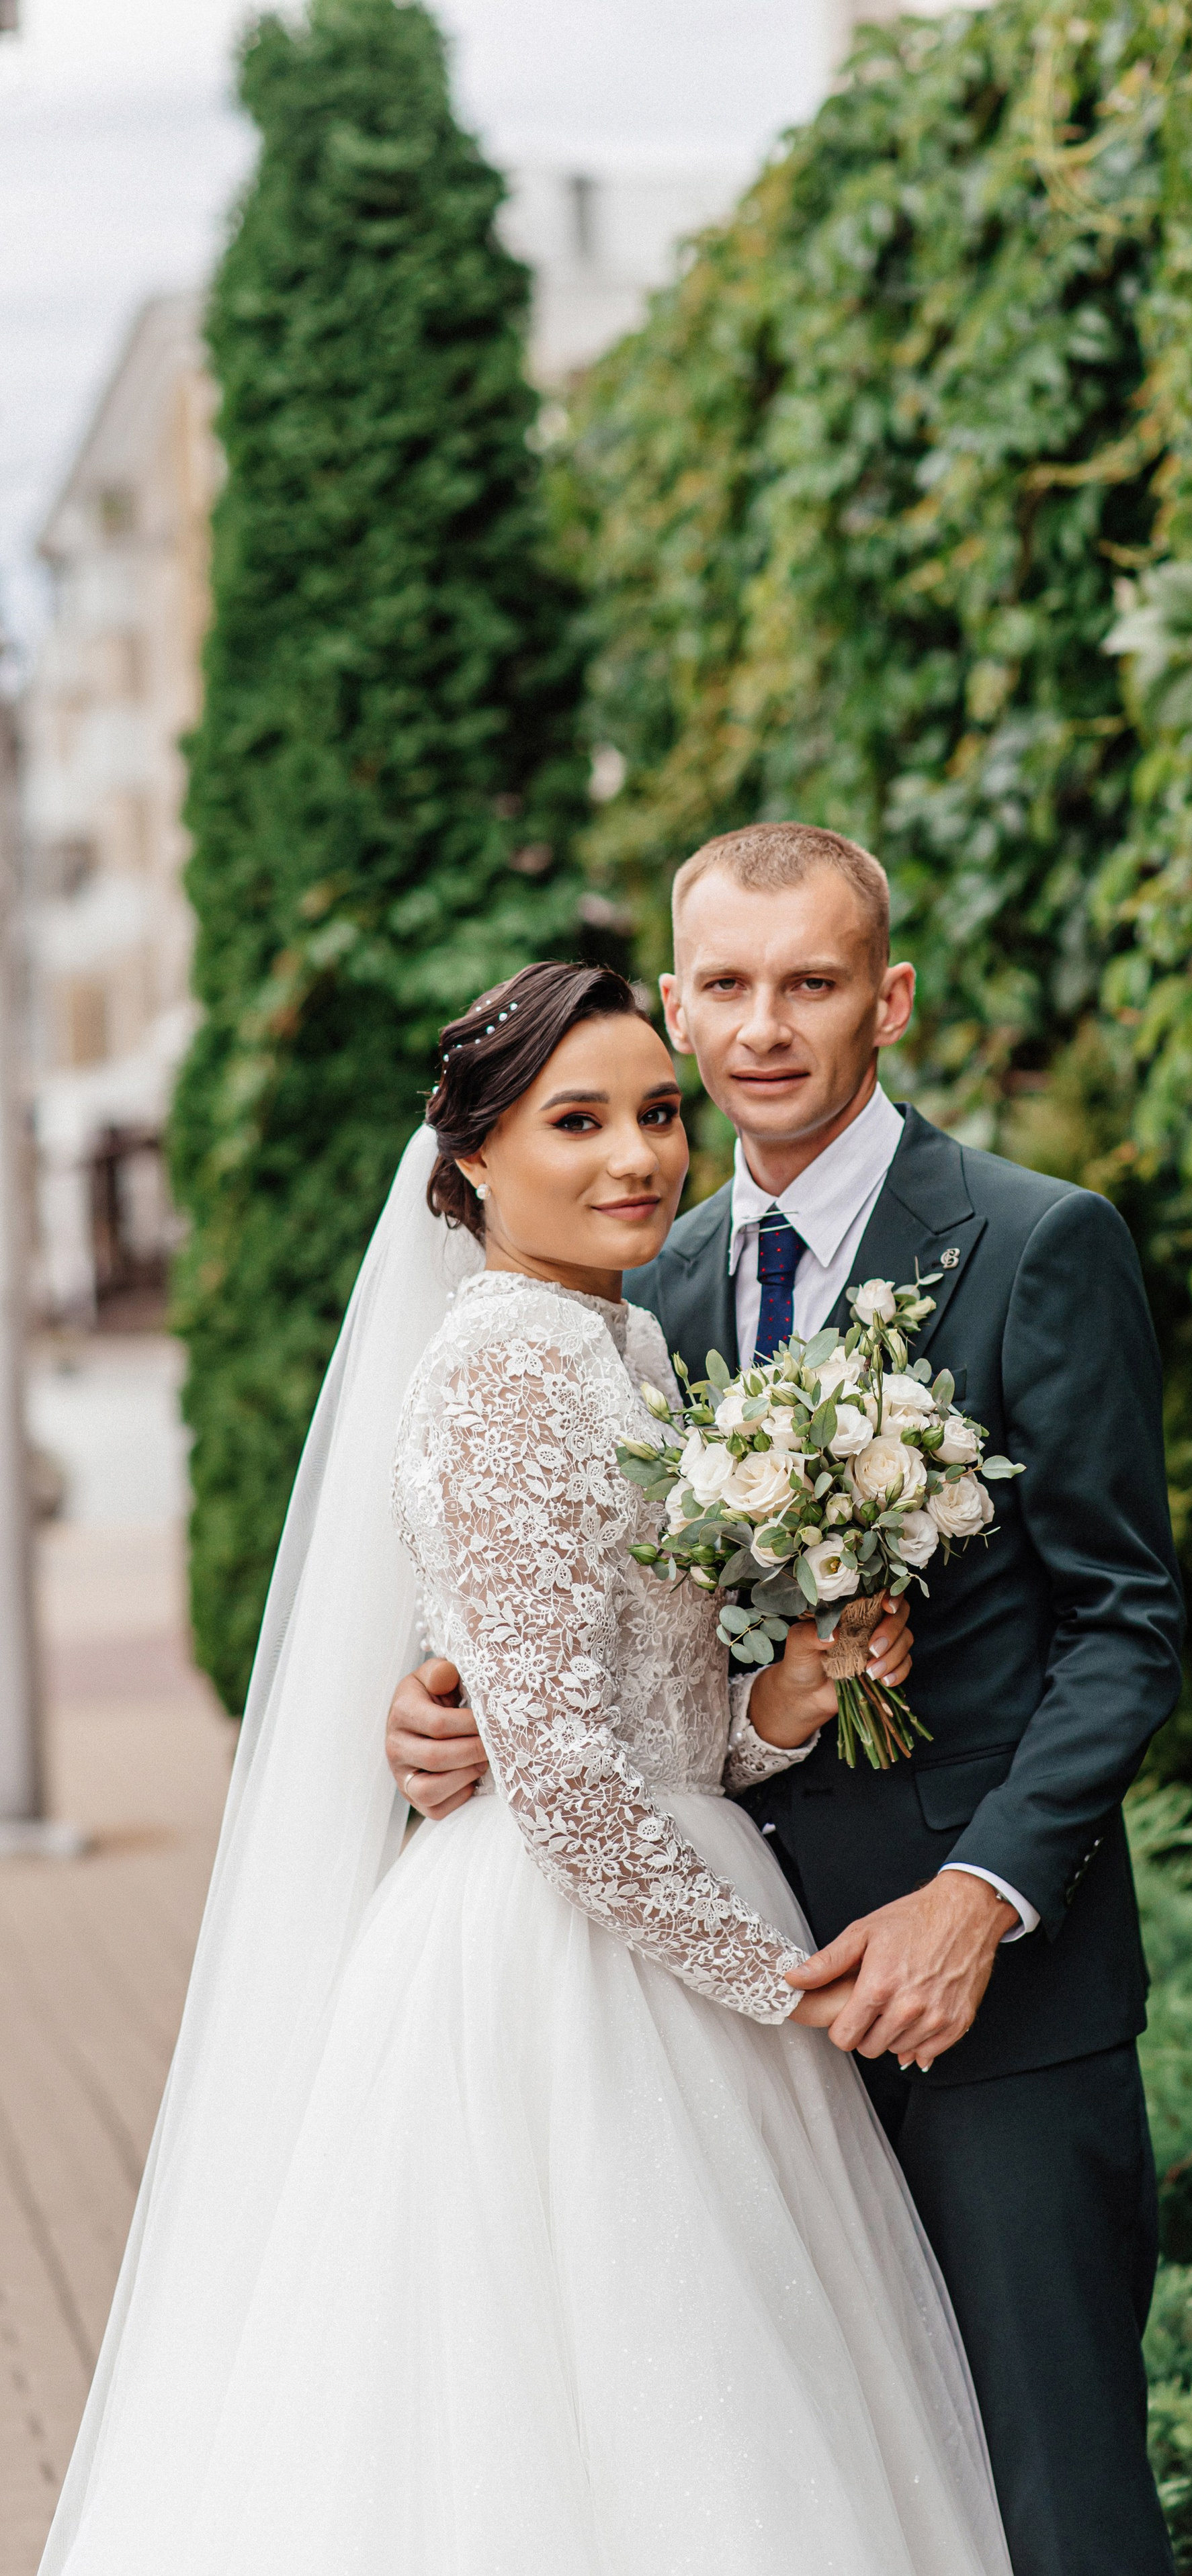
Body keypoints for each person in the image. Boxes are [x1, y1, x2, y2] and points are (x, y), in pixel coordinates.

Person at [41, 961, 1011, 2576]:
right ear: (473, 1161)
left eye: (655, 1112)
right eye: (578, 1120)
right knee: (609, 2414)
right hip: (561, 1963)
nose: (637, 1155)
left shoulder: (620, 1347)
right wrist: (780, 1985)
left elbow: (665, 1733)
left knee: (709, 2406)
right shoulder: (507, 1366)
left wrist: (790, 1693)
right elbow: (559, 1778)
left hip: (664, 1899)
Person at [391, 826, 1186, 2576]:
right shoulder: (633, 1287)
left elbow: (1129, 1625)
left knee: (1051, 2501)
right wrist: (446, 1707)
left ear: (884, 997)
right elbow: (575, 1614)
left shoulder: (1036, 1244)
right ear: (678, 1006)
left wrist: (978, 1898)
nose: (764, 1026)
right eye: (729, 988)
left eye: (811, 982)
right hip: (710, 2029)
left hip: (992, 2006)